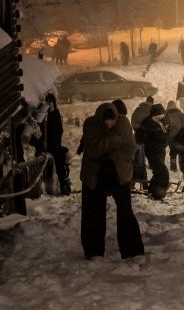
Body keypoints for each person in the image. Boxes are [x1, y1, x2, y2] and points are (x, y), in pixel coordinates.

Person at [80, 103, 144, 259]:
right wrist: (113, 140)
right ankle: (93, 252)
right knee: (93, 213)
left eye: (112, 122)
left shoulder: (123, 122)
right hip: (94, 175)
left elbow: (130, 148)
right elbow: (93, 151)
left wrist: (112, 151)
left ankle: (132, 251)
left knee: (125, 212)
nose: (109, 125)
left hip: (119, 173)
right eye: (106, 123)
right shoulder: (90, 124)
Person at [135, 104, 170, 200]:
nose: (164, 115)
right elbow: (138, 137)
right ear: (157, 114)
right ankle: (158, 193)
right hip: (153, 151)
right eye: (163, 114)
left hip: (160, 150)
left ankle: (153, 192)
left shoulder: (159, 122)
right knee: (163, 173)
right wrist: (148, 142)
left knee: (158, 173)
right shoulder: (148, 123)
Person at [40, 93, 71, 195]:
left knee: (60, 159)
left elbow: (60, 129)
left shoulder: (56, 113)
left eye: (52, 102)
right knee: (58, 159)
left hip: (55, 144)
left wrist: (57, 141)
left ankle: (64, 183)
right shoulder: (43, 115)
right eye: (48, 102)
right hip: (47, 145)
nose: (51, 104)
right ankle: (62, 183)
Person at [165, 100, 184, 172]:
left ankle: (173, 167)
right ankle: (183, 167)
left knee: (173, 152)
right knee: (181, 152)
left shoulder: (166, 115)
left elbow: (165, 126)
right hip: (180, 136)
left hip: (171, 136)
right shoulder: (180, 114)